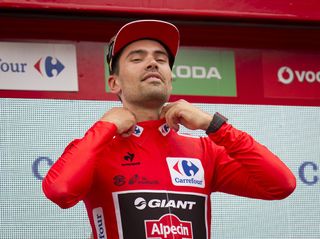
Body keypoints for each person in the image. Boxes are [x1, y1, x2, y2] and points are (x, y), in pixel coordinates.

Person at [43, 19, 296, 239]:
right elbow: (60, 191)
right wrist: (105, 126)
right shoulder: (95, 148)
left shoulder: (203, 150)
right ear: (114, 83)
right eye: (137, 58)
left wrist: (213, 125)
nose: (152, 63)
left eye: (161, 59)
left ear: (170, 77)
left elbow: (281, 184)